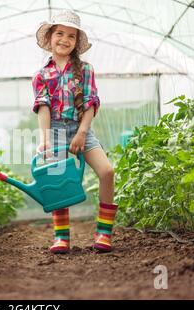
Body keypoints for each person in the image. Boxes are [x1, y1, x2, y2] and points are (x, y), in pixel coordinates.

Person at [32, 10, 119, 253]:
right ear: (50, 37)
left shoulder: (86, 69)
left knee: (107, 171)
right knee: (59, 183)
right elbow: (43, 106)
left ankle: (103, 234)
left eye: (71, 36)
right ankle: (61, 238)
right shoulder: (42, 74)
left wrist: (82, 132)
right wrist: (46, 139)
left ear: (76, 42)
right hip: (57, 131)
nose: (64, 39)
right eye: (59, 33)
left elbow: (91, 103)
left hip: (82, 129)